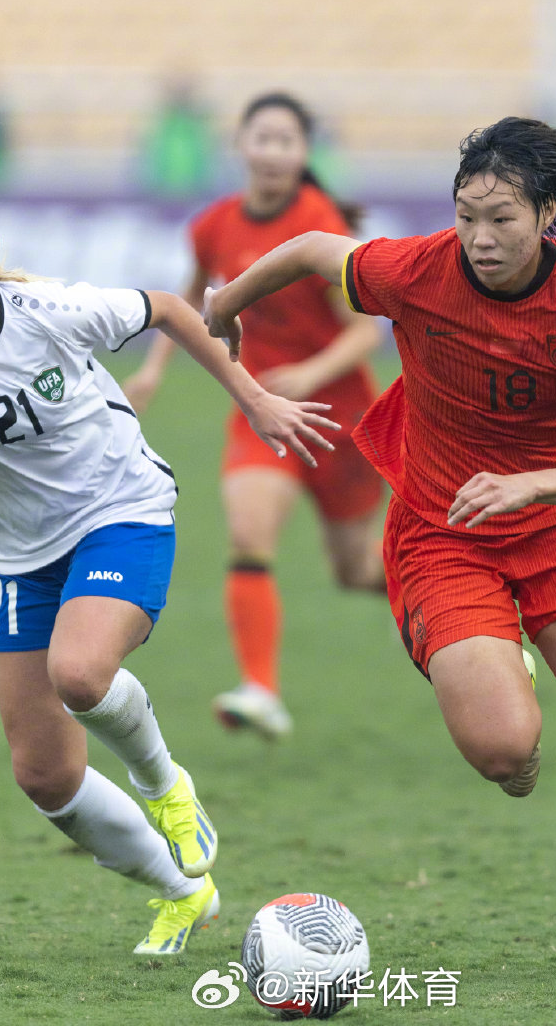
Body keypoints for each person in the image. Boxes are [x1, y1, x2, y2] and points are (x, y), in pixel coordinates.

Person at [204, 118, 556, 980]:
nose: (480, 238)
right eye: (467, 215)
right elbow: (307, 248)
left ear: (550, 213)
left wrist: (529, 485)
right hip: (445, 534)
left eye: (503, 219)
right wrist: (224, 305)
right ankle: (487, 659)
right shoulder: (415, 269)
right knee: (505, 756)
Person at [0, 184, 337, 954]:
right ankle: (185, 892)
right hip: (21, 555)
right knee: (44, 776)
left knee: (80, 674)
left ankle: (166, 788)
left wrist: (251, 396)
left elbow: (168, 307)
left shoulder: (52, 310)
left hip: (119, 510)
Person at [123, 92, 385, 739]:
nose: (272, 153)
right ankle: (260, 689)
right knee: (248, 531)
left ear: (304, 154)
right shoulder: (213, 226)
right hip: (261, 409)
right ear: (240, 146)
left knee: (358, 571)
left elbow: (364, 333)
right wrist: (153, 371)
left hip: (340, 420)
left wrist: (311, 374)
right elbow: (182, 307)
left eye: (286, 141)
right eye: (261, 138)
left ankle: (465, 618)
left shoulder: (322, 224)